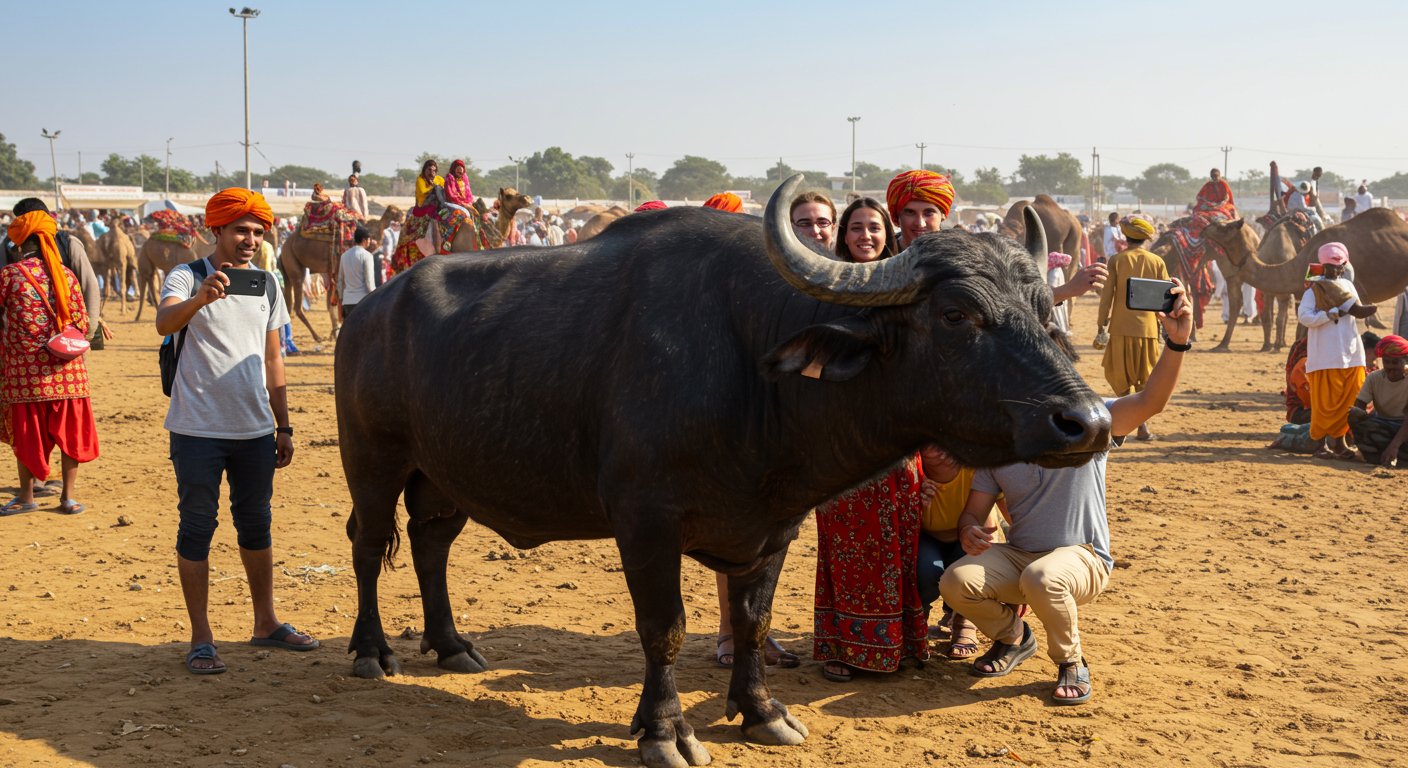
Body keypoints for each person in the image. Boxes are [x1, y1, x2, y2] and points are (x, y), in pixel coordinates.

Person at [940, 278, 1194, 706]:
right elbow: (972, 513)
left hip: (1083, 557)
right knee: (955, 580)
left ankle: (1071, 661)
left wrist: (1177, 343)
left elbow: (1151, 401)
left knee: (1043, 578)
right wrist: (969, 531)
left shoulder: (1092, 419)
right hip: (1022, 556)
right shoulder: (999, 438)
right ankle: (1014, 638)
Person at [155, 188, 317, 675]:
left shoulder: (267, 284)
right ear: (217, 230)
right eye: (241, 230)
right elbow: (164, 323)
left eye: (257, 232)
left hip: (255, 429)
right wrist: (200, 299)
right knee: (196, 527)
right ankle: (201, 637)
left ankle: (266, 622)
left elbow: (273, 359)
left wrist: (283, 425)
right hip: (196, 428)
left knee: (256, 524)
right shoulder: (187, 275)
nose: (250, 239)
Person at [813, 196, 925, 683]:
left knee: (898, 548)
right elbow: (810, 364)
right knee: (845, 549)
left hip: (898, 443)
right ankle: (843, 646)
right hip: (843, 445)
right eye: (856, 228)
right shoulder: (826, 287)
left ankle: (898, 644)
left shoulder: (911, 288)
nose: (866, 236)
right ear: (844, 236)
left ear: (887, 234)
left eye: (874, 228)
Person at [0, 210, 99, 517]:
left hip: (24, 374)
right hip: (67, 371)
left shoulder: (9, 276)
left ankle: (27, 496)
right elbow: (81, 322)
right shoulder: (66, 275)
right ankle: (68, 498)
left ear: (20, 245)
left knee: (27, 435)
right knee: (71, 435)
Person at [916, 445, 1003, 660]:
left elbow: (1008, 509)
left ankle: (964, 620)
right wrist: (912, 497)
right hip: (926, 537)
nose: (939, 447)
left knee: (971, 569)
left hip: (972, 539)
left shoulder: (977, 465)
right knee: (923, 572)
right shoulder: (911, 470)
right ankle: (916, 623)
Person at [1096, 215, 1170, 440]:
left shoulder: (1117, 260)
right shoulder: (1157, 262)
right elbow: (1166, 297)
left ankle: (1126, 421)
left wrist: (1101, 323)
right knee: (1145, 379)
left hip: (1120, 328)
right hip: (1148, 330)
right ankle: (1142, 425)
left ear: (1125, 237)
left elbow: (1107, 296)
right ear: (1145, 239)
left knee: (1119, 376)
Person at [1298, 243, 1368, 460]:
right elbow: (1304, 316)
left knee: (1350, 398)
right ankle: (1319, 443)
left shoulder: (1348, 285)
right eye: (1330, 266)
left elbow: (1358, 311)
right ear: (1322, 266)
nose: (1334, 270)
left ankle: (1339, 443)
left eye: (1338, 266)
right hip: (1325, 354)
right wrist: (1328, 315)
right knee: (1324, 402)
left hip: (1352, 351)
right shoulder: (1314, 289)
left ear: (1344, 266)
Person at [1349, 335, 1408, 466]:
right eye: (1387, 362)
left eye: (1395, 362)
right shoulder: (1374, 377)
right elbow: (1359, 405)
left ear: (1405, 360)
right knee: (1354, 413)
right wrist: (1362, 426)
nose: (1390, 366)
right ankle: (1376, 455)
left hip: (1404, 426)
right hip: (1382, 423)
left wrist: (1394, 446)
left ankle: (1392, 453)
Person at [337, 226, 376, 320]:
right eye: (369, 239)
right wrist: (376, 297)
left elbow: (340, 281)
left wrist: (340, 301)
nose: (370, 241)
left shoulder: (344, 256)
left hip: (347, 302)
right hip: (362, 302)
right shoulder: (367, 256)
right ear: (364, 240)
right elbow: (369, 283)